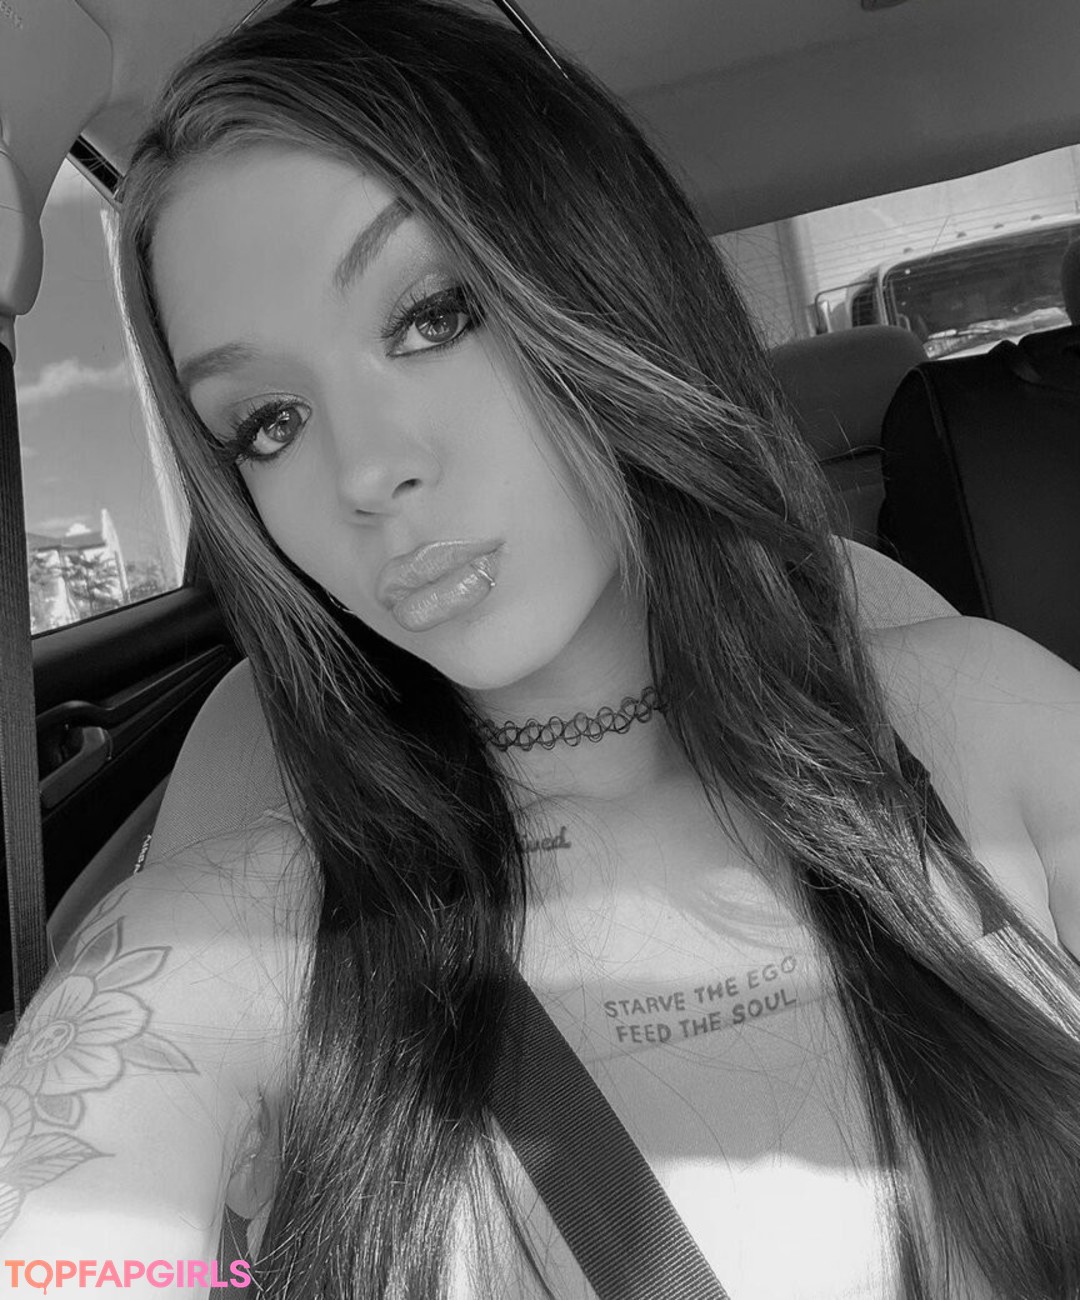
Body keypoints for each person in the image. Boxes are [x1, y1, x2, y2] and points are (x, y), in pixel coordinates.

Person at [3, 1, 1080, 1296]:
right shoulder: (221, 949)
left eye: (433, 315)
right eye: (270, 421)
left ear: (602, 279)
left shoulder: (992, 728)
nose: (368, 471)